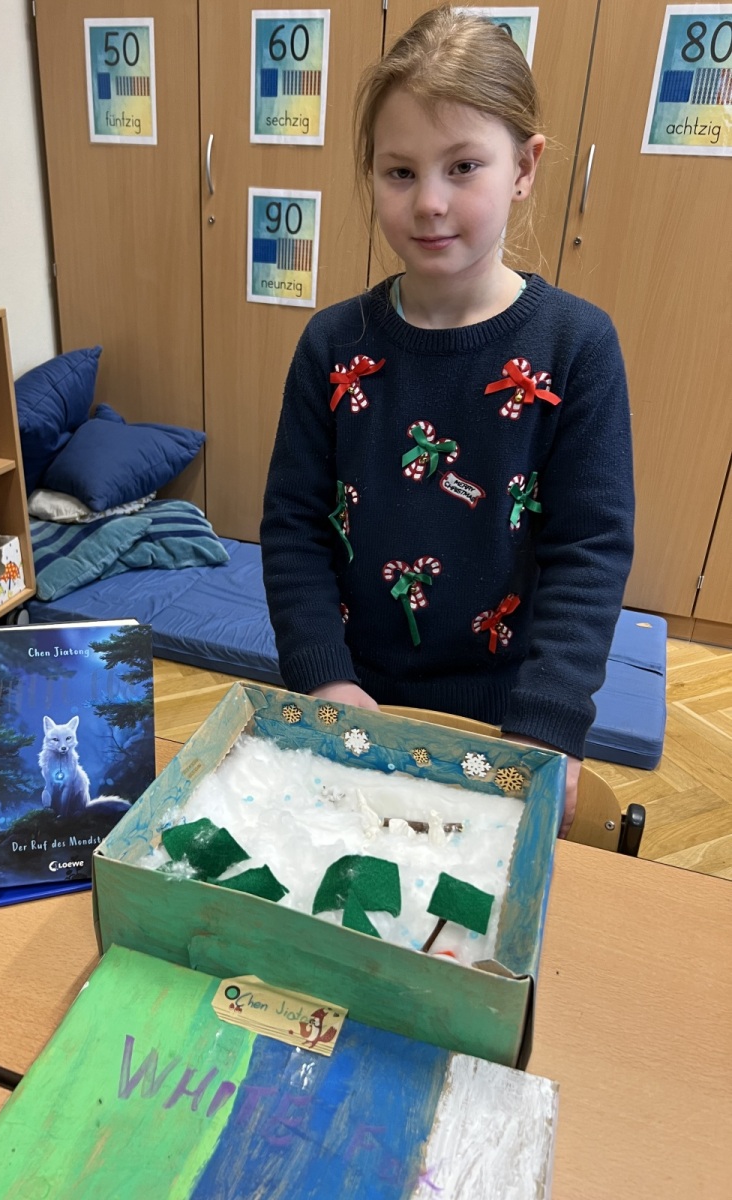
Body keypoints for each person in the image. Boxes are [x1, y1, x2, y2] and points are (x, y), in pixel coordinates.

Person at [260, 4, 634, 837]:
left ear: (525, 167)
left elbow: (590, 548)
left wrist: (549, 719)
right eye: (399, 172)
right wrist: (323, 678)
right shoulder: (332, 344)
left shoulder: (578, 345)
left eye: (463, 166)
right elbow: (292, 528)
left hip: (507, 718)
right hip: (354, 702)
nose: (429, 202)